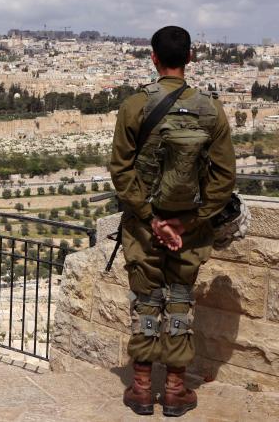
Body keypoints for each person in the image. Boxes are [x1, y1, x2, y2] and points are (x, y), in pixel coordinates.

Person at [110, 26, 235, 417]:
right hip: (190, 228)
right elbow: (224, 177)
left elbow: (120, 169)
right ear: (191, 57)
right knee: (180, 302)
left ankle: (144, 389)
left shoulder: (135, 106)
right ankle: (177, 390)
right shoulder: (211, 109)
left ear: (153, 58)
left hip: (144, 226)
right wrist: (189, 222)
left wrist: (151, 218)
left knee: (146, 302)